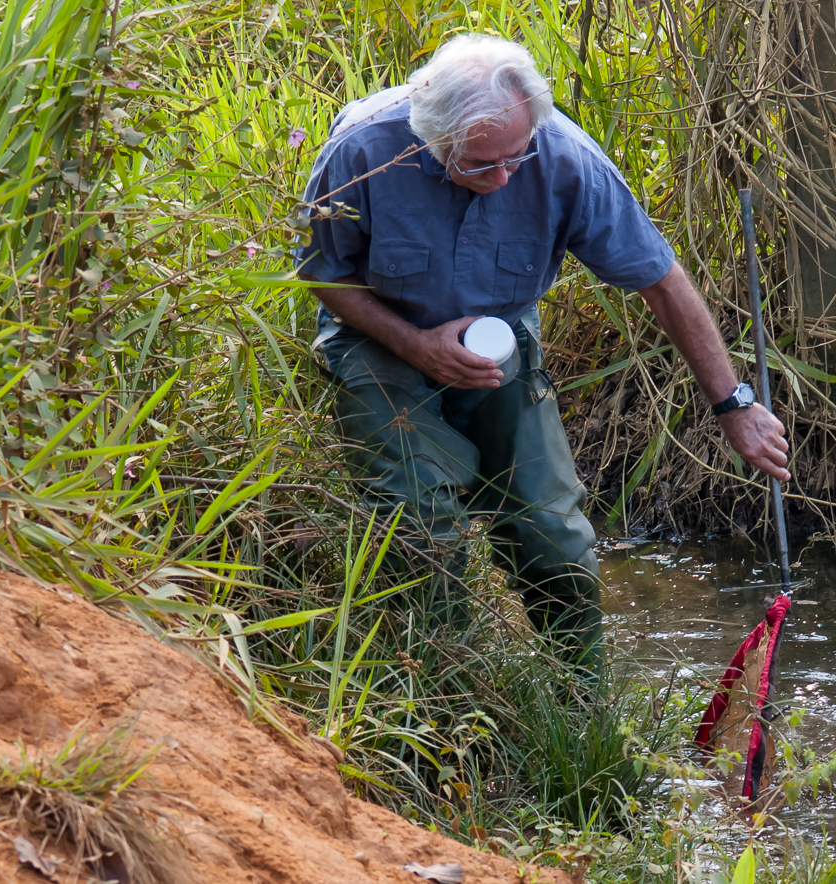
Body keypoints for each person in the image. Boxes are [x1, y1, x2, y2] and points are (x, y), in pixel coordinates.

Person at [293, 34, 790, 672]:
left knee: (551, 535)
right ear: (433, 138)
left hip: (501, 342)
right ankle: (448, 695)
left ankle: (578, 702)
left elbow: (662, 282)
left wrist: (734, 404)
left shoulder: (563, 157)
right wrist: (418, 346)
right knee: (418, 526)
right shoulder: (364, 149)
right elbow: (321, 273)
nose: (504, 180)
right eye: (480, 165)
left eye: (515, 158)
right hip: (378, 335)